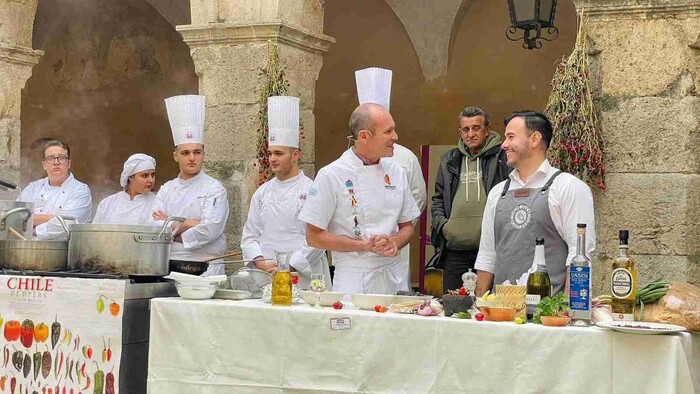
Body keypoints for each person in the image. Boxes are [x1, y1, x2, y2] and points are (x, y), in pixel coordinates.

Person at [299, 103, 421, 295]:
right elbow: (313, 236)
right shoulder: (332, 175)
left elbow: (407, 227)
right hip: (353, 280)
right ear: (364, 136)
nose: (395, 137)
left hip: (393, 277)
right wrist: (364, 245)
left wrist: (394, 242)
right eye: (388, 131)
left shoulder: (397, 172)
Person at [474, 110, 596, 296]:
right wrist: (479, 305)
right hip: (501, 311)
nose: (504, 145)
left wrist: (567, 309)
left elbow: (579, 254)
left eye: (511, 137)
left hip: (548, 314)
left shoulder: (568, 187)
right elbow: (487, 255)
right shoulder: (497, 193)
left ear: (535, 139)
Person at [240, 96, 331, 289]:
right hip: (266, 276)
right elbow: (250, 235)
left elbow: (317, 238)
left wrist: (288, 266)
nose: (272, 159)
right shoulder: (262, 192)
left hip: (302, 277)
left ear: (296, 155)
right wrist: (259, 261)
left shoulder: (312, 190)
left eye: (279, 153)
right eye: (270, 153)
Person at [355, 67, 427, 289]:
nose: (392, 136)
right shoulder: (344, 164)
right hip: (357, 259)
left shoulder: (404, 157)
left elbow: (418, 196)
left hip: (393, 246)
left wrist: (397, 233)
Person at [431, 107, 510, 294]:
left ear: (487, 129)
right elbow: (437, 199)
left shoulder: (502, 157)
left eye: (476, 128)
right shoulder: (449, 160)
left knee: (489, 308)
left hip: (491, 251)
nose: (471, 134)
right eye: (466, 129)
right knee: (453, 309)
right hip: (454, 251)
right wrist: (444, 226)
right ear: (460, 132)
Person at [148, 95, 229, 277]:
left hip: (206, 270)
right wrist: (192, 223)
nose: (191, 158)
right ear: (176, 156)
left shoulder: (214, 188)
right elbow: (153, 227)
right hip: (169, 269)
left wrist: (172, 225)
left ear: (203, 154)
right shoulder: (166, 189)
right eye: (185, 153)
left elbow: (211, 229)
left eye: (196, 152)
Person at [20, 139, 92, 239]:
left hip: (66, 252)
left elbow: (68, 223)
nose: (56, 162)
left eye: (61, 158)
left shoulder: (80, 190)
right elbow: (15, 217)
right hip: (29, 250)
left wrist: (33, 229)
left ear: (69, 164)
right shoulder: (32, 188)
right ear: (44, 165)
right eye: (50, 158)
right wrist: (55, 218)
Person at [93, 154, 157, 225]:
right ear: (131, 177)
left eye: (153, 175)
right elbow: (94, 234)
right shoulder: (107, 204)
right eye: (145, 176)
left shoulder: (157, 204)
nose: (151, 180)